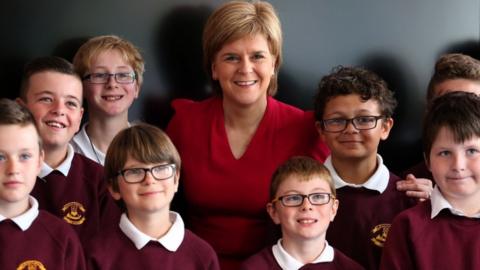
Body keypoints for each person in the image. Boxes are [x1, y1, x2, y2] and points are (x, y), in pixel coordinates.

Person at [166, 1, 329, 268]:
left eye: (257, 56)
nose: (245, 68)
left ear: (274, 64)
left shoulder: (307, 129)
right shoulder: (185, 122)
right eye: (231, 57)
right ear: (214, 68)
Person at [313, 66, 423, 270]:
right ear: (321, 130)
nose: (351, 129)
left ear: (385, 127)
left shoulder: (410, 199)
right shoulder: (299, 197)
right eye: (337, 120)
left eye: (364, 120)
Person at [85, 123, 220, 270]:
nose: (149, 180)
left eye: (161, 168)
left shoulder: (202, 255)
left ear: (176, 179)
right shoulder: (96, 254)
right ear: (114, 187)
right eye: (135, 171)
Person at [17, 56, 120, 245]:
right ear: (21, 109)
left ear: (79, 117)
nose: (59, 110)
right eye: (46, 99)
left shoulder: (98, 180)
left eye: (70, 103)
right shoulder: (6, 174)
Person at [380, 91, 480, 269]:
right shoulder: (407, 227)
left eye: (471, 151)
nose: (458, 165)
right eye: (445, 153)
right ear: (427, 161)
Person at [0, 98, 86, 269]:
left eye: (24, 156)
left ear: (39, 162)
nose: (13, 169)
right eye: (0, 157)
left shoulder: (62, 237)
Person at [241, 156, 364, 270]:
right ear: (273, 212)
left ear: (333, 209)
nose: (307, 206)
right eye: (293, 198)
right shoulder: (253, 267)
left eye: (318, 196)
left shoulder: (351, 268)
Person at [401, 53, 480, 181]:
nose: (463, 114)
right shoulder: (411, 183)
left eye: (474, 103)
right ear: (429, 110)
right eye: (448, 104)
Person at [71, 35, 144, 165]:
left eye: (123, 75)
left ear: (137, 88)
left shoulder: (152, 147)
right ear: (81, 88)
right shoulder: (67, 153)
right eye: (99, 75)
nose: (112, 84)